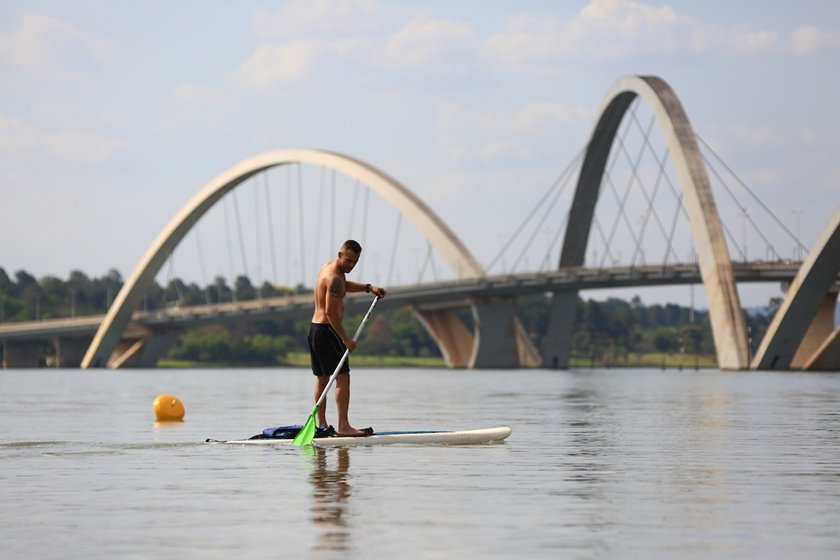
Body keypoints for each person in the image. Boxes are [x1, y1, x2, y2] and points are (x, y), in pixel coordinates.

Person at [308, 240, 386, 437]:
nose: (350, 265)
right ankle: (343, 427)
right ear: (340, 254)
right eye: (348, 260)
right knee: (343, 377)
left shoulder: (328, 268)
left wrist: (368, 288)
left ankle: (322, 425)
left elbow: (343, 286)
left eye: (355, 262)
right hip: (328, 331)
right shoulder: (335, 277)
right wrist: (345, 339)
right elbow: (331, 313)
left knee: (322, 378)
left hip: (315, 329)